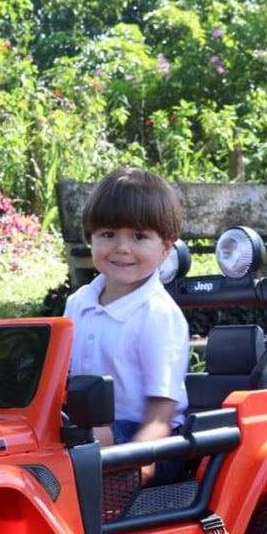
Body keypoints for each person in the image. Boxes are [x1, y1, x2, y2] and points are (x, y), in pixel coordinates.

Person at [63, 167, 190, 485]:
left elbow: (161, 414)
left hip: (155, 442)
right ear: (90, 238)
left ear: (165, 248)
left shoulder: (158, 315)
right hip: (89, 432)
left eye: (139, 236)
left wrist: (141, 461)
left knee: (80, 438)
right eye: (108, 234)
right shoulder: (78, 303)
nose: (122, 247)